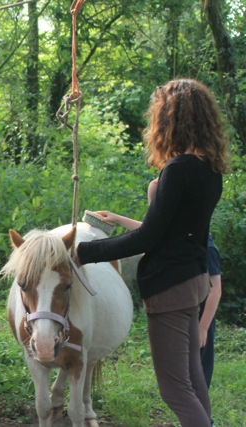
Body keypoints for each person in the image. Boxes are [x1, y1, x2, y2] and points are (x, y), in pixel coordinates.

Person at [75, 79, 230, 427]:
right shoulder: (210, 170)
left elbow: (147, 238)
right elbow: (170, 232)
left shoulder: (177, 170)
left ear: (171, 119)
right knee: (191, 378)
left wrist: (81, 252)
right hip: (194, 281)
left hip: (171, 288)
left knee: (175, 389)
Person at [96, 178, 223, 389]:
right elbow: (151, 230)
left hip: (201, 317)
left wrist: (203, 327)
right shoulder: (178, 232)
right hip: (182, 311)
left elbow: (215, 290)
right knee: (184, 370)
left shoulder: (203, 246)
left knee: (199, 372)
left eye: (158, 207)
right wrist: (117, 218)